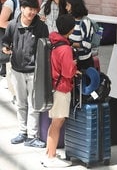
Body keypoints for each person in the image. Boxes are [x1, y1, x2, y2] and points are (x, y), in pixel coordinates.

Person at [2, 0, 49, 148]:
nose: (32, 12)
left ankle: (32, 135)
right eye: (29, 9)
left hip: (34, 71)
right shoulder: (13, 25)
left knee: (33, 104)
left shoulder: (41, 27)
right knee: (21, 103)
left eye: (35, 9)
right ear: (22, 8)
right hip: (17, 69)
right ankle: (22, 132)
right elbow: (6, 40)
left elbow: (45, 49)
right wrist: (5, 48)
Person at [41, 14, 78, 168]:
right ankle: (51, 157)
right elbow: (68, 72)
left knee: (54, 121)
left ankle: (49, 153)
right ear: (71, 29)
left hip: (52, 87)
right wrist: (74, 64)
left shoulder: (53, 42)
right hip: (61, 89)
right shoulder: (65, 49)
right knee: (57, 122)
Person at [65, 0, 94, 70]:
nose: (66, 8)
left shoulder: (85, 22)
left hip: (84, 62)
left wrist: (70, 43)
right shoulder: (70, 19)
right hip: (73, 58)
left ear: (74, 6)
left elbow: (87, 44)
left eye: (68, 5)